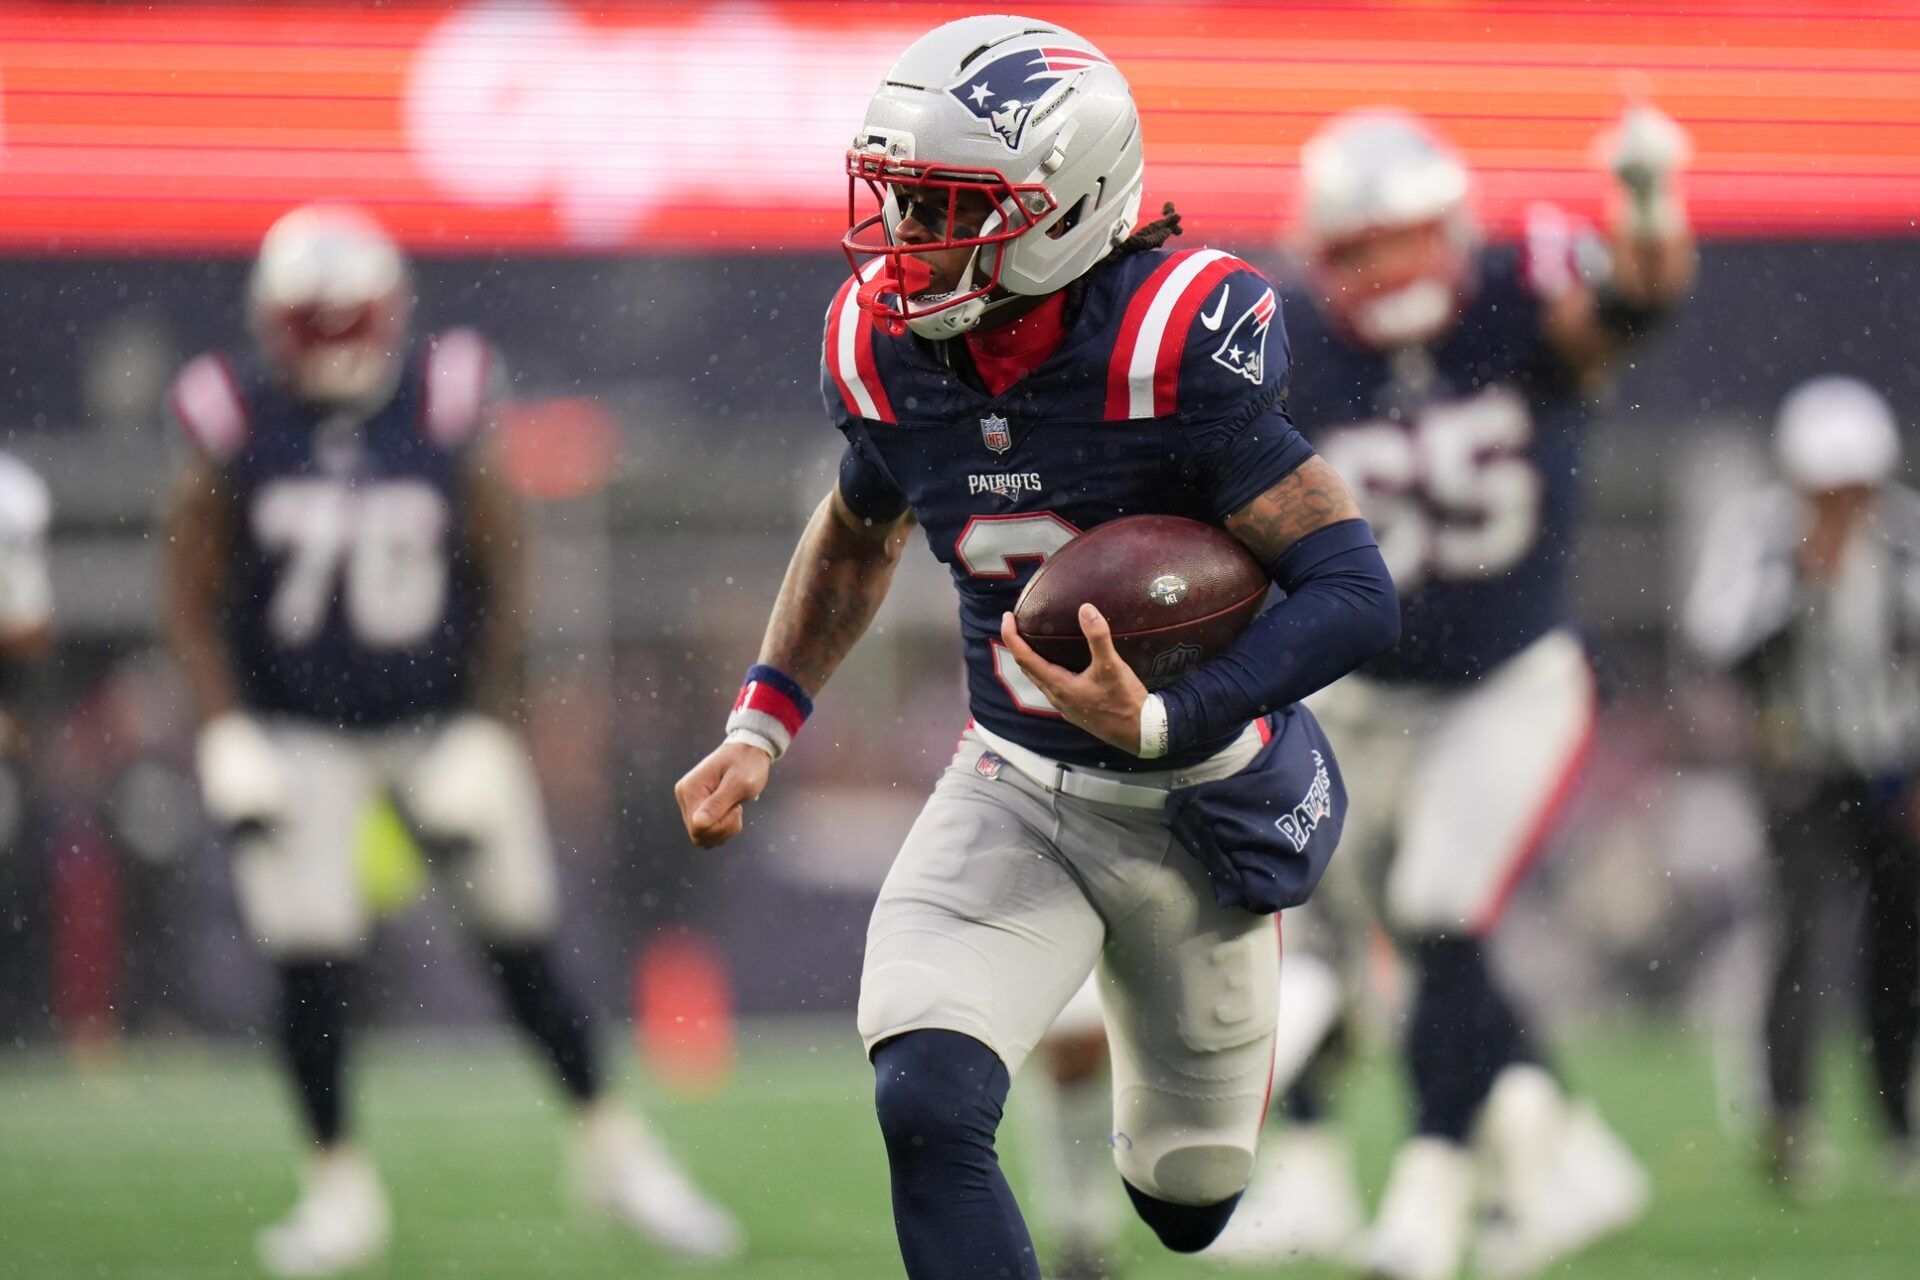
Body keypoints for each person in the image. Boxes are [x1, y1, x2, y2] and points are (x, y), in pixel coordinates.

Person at [673, 16, 1398, 1280]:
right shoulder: (883, 346)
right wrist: (761, 719)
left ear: (1063, 209)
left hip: (1197, 804)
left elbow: (1352, 583)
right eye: (900, 198)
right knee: (927, 1105)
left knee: (1185, 1201)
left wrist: (1179, 713)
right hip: (1015, 784)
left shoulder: (1170, 338)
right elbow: (858, 529)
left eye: (951, 206)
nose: (908, 239)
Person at [161, 204, 741, 1278]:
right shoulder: (235, 413)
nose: (333, 345)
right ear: (274, 323)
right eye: (312, 323)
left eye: (348, 321)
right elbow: (190, 585)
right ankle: (337, 1182)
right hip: (295, 727)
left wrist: (484, 722)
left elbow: (506, 564)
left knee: (519, 938)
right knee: (311, 953)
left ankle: (611, 1147)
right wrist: (226, 726)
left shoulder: (444, 398)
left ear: (386, 315)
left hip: (433, 719)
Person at [1186, 103, 1697, 1280]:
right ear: (1320, 252)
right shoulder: (1296, 345)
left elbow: (1635, 302)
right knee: (1356, 925)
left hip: (1509, 677)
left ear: (1448, 229)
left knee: (1441, 907)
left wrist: (1654, 207)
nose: (1379, 268)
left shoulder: (1522, 299)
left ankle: (1430, 1194)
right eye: (1354, 247)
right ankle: (1548, 1142)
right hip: (1359, 689)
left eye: (1399, 238)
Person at [1683, 376, 1920, 1197]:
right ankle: (1792, 1119)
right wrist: (1796, 583)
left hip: (1897, 771)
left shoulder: (1905, 541)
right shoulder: (1759, 535)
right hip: (1801, 770)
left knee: (1900, 948)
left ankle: (1899, 1121)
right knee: (1804, 936)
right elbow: (1713, 634)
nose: (1839, 506)